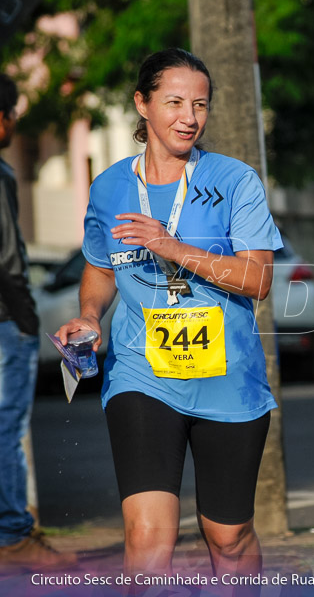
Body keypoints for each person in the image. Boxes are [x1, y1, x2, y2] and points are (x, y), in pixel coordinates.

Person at [56, 48, 282, 582]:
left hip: (226, 378)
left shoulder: (234, 181)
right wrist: (89, 316)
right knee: (147, 535)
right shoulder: (110, 186)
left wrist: (172, 246)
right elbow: (101, 266)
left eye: (200, 105)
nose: (189, 117)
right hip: (141, 373)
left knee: (228, 538)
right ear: (142, 104)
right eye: (175, 102)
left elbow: (259, 279)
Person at [0, 75, 77, 571]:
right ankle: (12, 538)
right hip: (3, 320)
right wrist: (28, 323)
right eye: (12, 112)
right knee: (6, 428)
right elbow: (8, 260)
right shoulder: (1, 174)